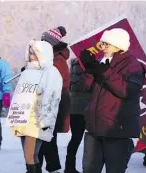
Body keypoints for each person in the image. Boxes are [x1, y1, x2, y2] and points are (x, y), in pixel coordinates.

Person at [80, 28, 145, 173]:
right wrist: (90, 68)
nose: (102, 48)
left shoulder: (133, 65)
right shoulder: (101, 62)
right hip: (94, 127)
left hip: (117, 129)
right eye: (101, 44)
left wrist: (103, 71)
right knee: (89, 169)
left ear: (118, 45)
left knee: (114, 169)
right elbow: (85, 87)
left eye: (106, 44)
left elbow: (126, 90)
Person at [11, 40, 63, 173]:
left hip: (37, 118)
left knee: (30, 155)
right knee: (29, 156)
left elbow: (52, 97)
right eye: (30, 52)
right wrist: (14, 116)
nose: (31, 55)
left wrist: (46, 119)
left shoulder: (51, 72)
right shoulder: (27, 71)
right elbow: (19, 95)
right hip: (24, 117)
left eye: (34, 52)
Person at [38, 26, 70, 173]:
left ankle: (49, 167)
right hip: (42, 105)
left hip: (51, 107)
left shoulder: (57, 61)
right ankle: (47, 167)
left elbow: (55, 86)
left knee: (46, 140)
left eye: (44, 41)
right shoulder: (46, 59)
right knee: (42, 140)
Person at [63, 58, 92, 173]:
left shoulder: (73, 67)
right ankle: (89, 167)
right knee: (92, 140)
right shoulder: (88, 68)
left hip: (74, 108)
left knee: (75, 139)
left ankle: (69, 167)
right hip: (87, 108)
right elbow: (88, 86)